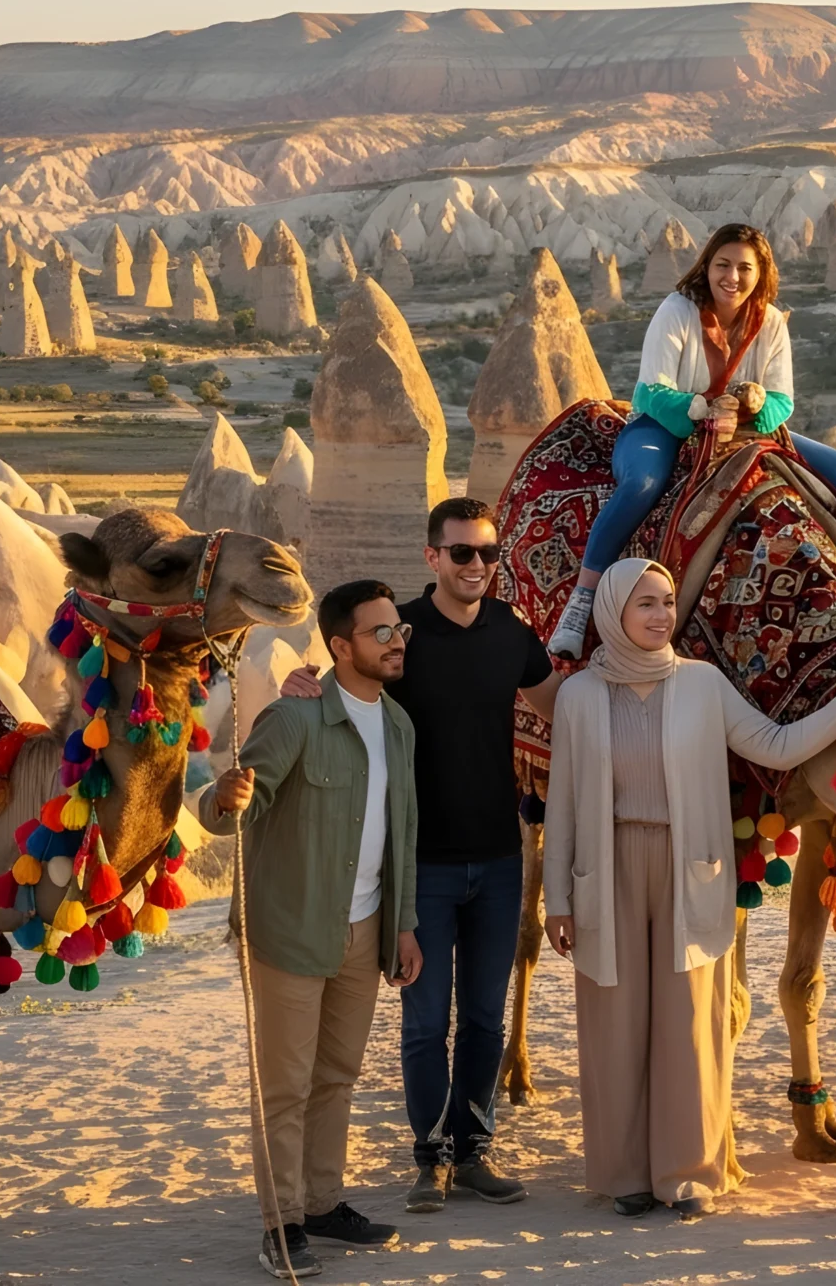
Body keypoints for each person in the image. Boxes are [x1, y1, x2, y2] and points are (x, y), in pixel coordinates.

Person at [543, 558, 836, 1218]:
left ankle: (688, 1173)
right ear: (613, 611)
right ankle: (623, 1176)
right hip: (607, 868)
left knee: (691, 1022)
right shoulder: (580, 695)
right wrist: (558, 899)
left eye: (667, 601)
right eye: (645, 603)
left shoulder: (701, 683)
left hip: (689, 866)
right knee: (613, 1024)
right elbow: (563, 804)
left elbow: (775, 745)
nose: (661, 614)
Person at [279, 499, 564, 1212]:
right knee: (425, 1021)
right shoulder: (399, 634)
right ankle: (428, 1159)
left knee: (486, 1019)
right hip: (420, 866)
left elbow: (566, 706)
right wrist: (300, 687)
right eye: (461, 552)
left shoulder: (511, 633)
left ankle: (473, 1154)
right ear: (432, 556)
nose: (477, 566)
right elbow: (344, 686)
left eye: (488, 553)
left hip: (499, 859)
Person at [202, 579, 428, 1278]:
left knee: (337, 1077)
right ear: (340, 646)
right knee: (286, 1087)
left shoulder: (398, 725)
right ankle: (283, 1224)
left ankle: (324, 1204)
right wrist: (223, 796)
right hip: (290, 931)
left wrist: (404, 926)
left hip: (365, 929)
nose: (396, 642)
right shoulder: (295, 717)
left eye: (399, 630)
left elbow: (403, 832)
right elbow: (234, 807)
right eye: (380, 633)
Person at [544, 224, 836, 657]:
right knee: (642, 484)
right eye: (723, 265)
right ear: (707, 266)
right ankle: (582, 598)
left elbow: (782, 400)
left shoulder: (770, 322)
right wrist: (702, 409)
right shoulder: (677, 310)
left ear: (761, 273)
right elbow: (650, 391)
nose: (732, 277)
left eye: (744, 268)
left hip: (745, 429)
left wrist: (751, 407)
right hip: (665, 424)